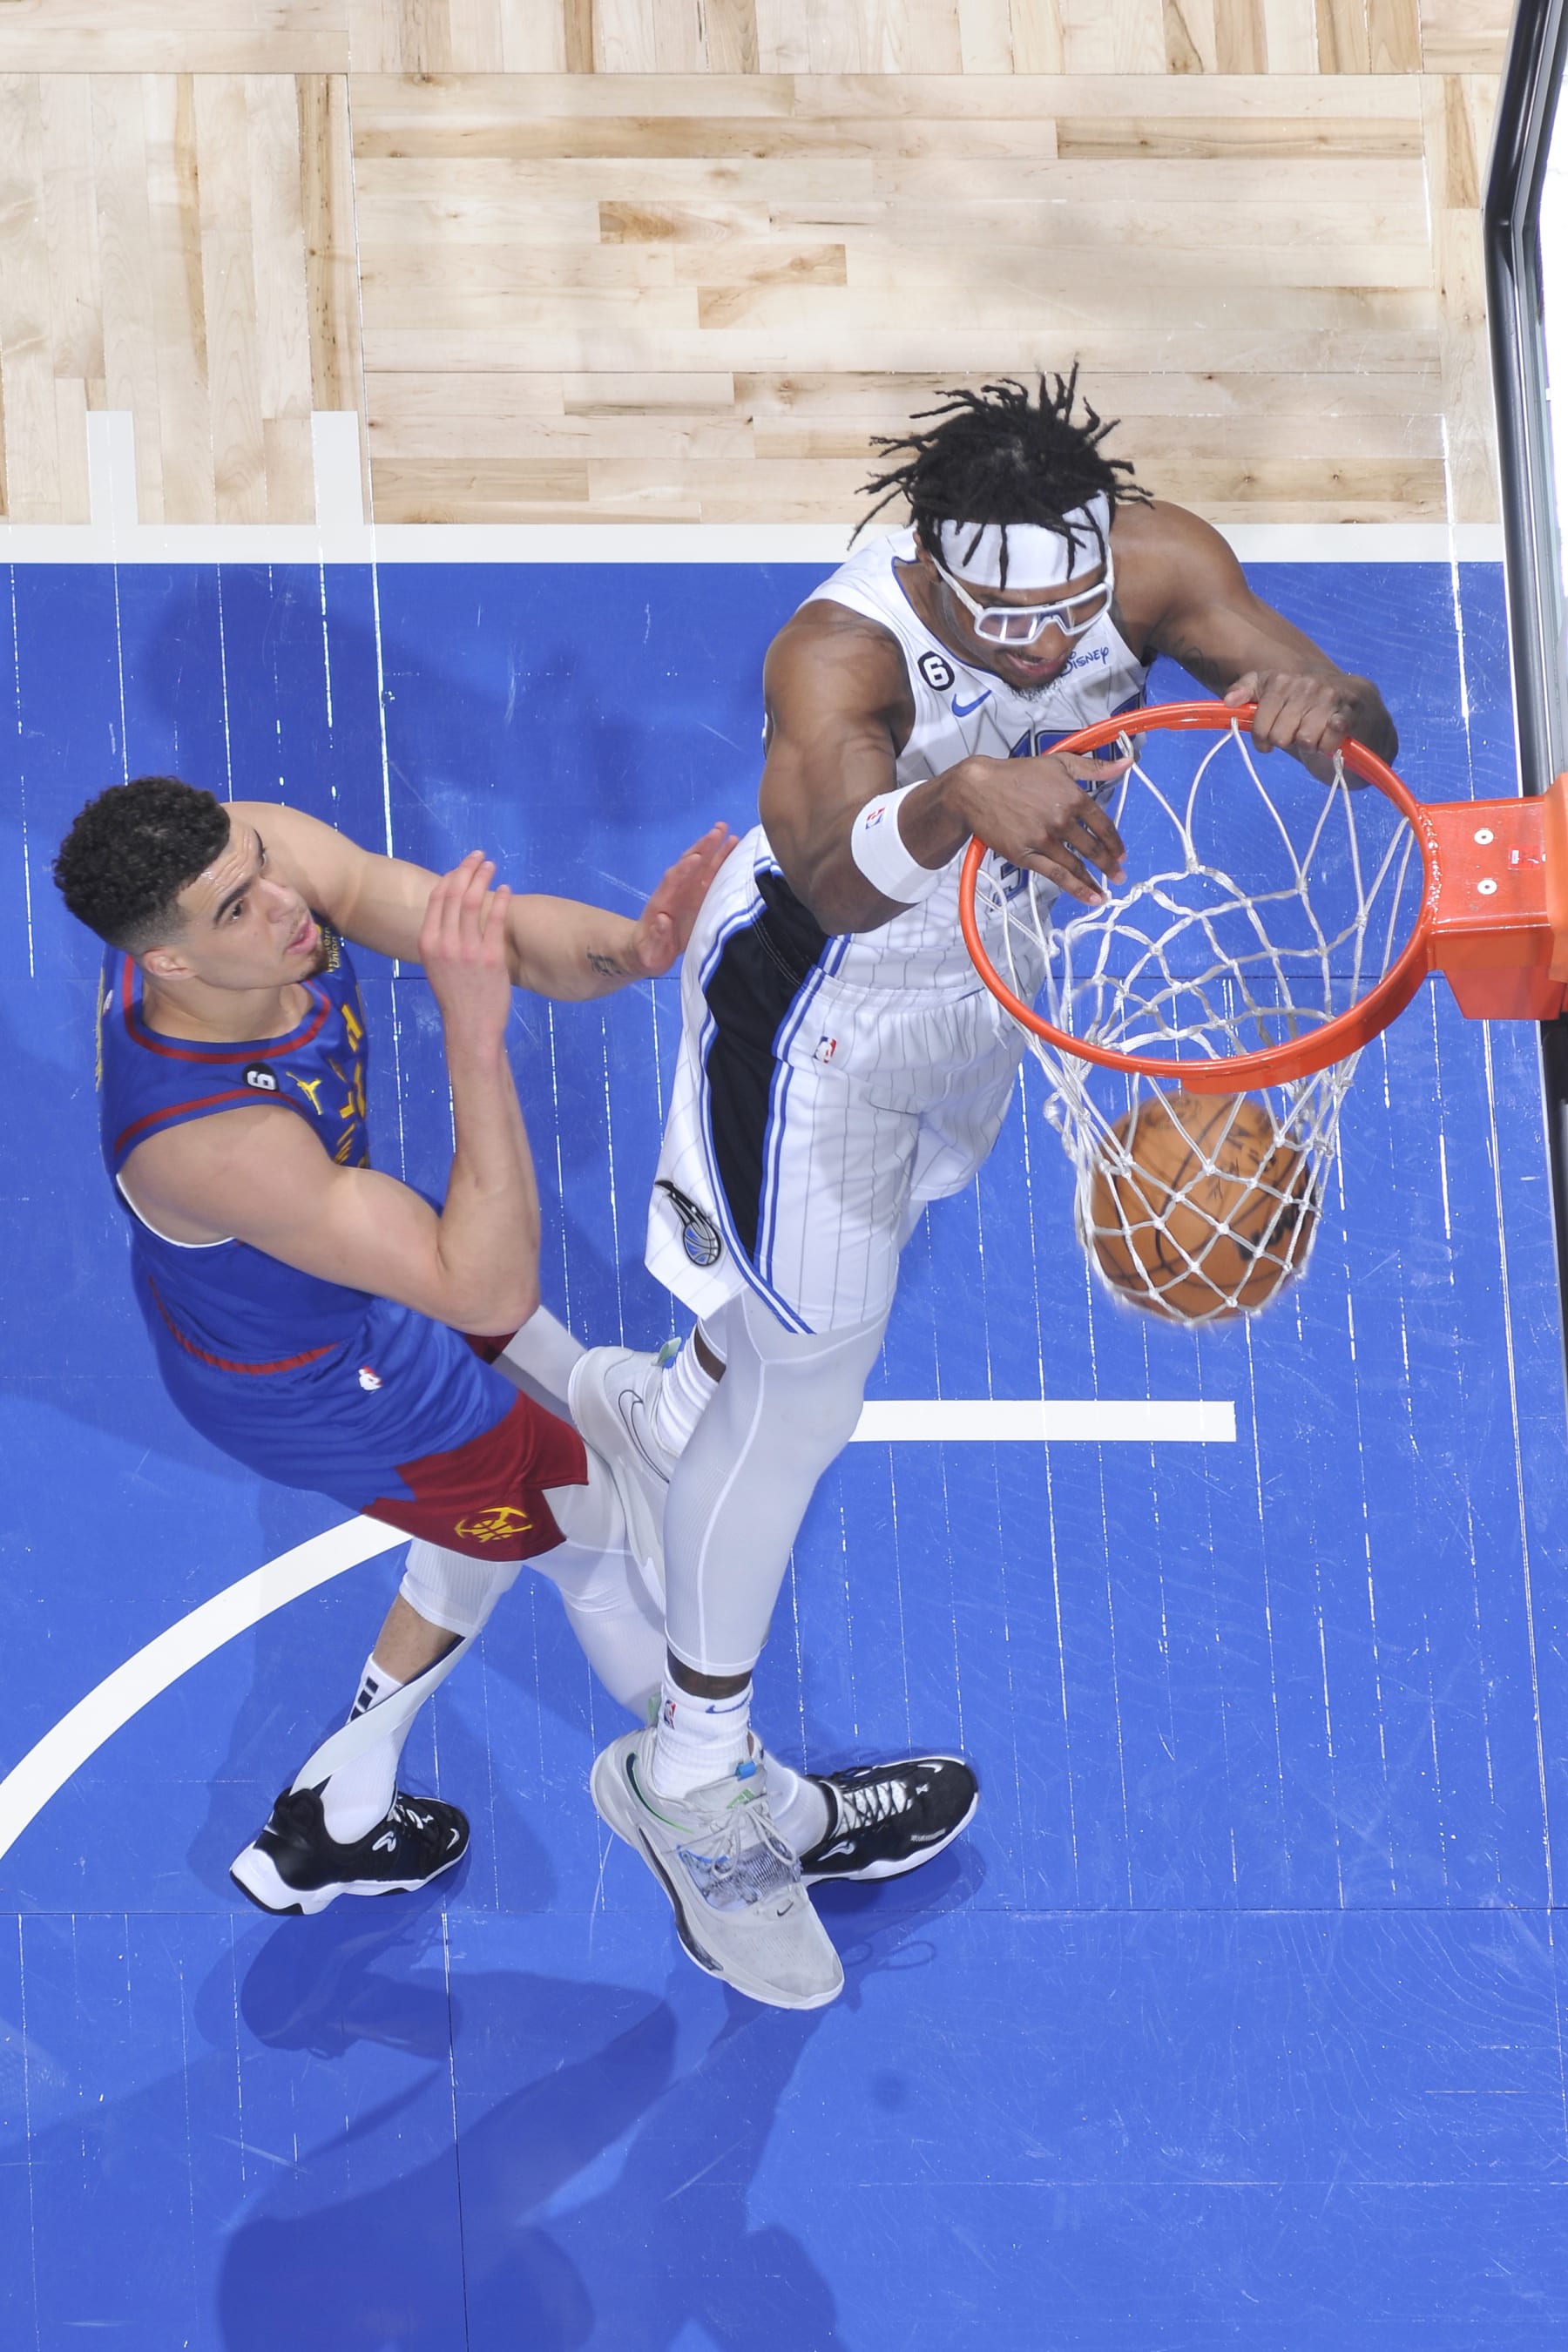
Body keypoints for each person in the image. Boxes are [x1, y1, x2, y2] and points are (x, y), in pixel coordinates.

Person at [572, 371, 1400, 2008]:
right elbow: (824, 877)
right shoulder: (841, 651)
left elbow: (1353, 719)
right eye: (998, 623)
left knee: (797, 1319)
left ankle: (664, 1418)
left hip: (989, 977)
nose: (1037, 651)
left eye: (1064, 617)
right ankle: (694, 1782)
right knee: (818, 1385)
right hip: (815, 1005)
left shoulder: (1157, 562)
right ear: (936, 568)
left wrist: (1332, 708)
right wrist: (956, 796)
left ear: (1102, 552)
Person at [54, 781, 974, 2003]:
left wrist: (633, 950)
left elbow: (454, 921)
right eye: (240, 903)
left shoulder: (250, 871)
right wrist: (474, 1036)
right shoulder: (204, 1139)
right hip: (335, 1379)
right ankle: (731, 1809)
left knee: (498, 1508)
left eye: (266, 861)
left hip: (354, 1294)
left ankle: (340, 1807)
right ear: (167, 959)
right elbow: (481, 1283)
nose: (285, 903)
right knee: (583, 1533)